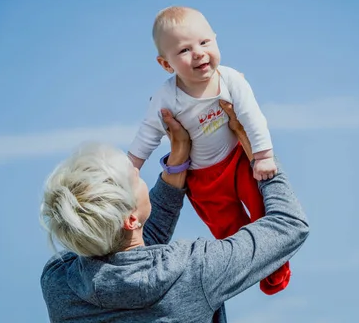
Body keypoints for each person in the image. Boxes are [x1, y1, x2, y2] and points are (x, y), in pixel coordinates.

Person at [39, 100, 309, 323]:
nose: (138, 170)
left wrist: (178, 159)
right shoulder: (191, 270)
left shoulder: (59, 283)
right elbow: (289, 225)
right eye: (134, 178)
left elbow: (132, 250)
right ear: (131, 218)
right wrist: (259, 152)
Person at [127, 6, 290, 294]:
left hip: (238, 160)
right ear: (166, 65)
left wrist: (263, 156)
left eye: (205, 42)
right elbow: (147, 134)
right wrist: (130, 168)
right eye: (185, 50)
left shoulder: (230, 79)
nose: (199, 53)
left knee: (263, 212)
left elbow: (252, 116)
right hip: (202, 180)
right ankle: (252, 272)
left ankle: (277, 269)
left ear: (216, 40)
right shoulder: (167, 96)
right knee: (228, 230)